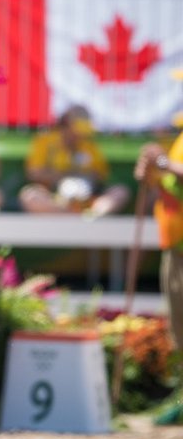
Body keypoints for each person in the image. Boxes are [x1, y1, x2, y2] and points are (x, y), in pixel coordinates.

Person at [19, 105, 130, 216]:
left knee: (120, 192)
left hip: (88, 200)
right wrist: (62, 178)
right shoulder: (45, 142)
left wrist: (84, 181)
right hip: (56, 198)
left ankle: (93, 215)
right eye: (77, 129)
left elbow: (101, 175)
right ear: (66, 126)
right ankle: (68, 215)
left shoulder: (89, 145)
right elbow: (34, 173)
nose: (80, 135)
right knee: (30, 196)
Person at [135, 109, 183, 350]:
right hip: (176, 243)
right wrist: (151, 174)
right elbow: (170, 184)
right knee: (179, 330)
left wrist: (162, 162)